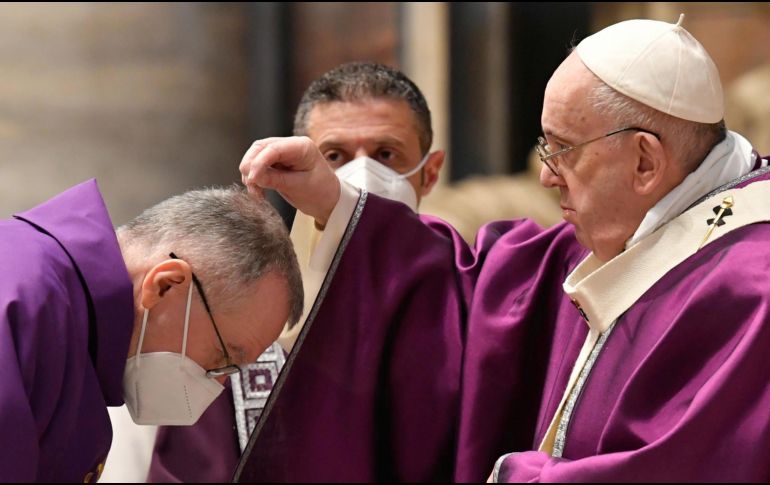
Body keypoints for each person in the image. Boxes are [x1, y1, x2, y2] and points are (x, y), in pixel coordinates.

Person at [236, 15, 770, 482]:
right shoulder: (622, 237)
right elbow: (471, 298)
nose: (544, 176)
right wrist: (336, 198)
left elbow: (682, 467)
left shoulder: (751, 287)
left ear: (646, 163)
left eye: (562, 150)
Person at [141, 61, 446, 482]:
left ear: (429, 172)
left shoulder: (464, 308)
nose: (359, 177)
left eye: (386, 155)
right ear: (296, 166)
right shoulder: (243, 320)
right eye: (334, 156)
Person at [0, 179, 303, 482]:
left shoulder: (76, 335)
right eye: (221, 357)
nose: (216, 384)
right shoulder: (22, 303)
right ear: (165, 285)